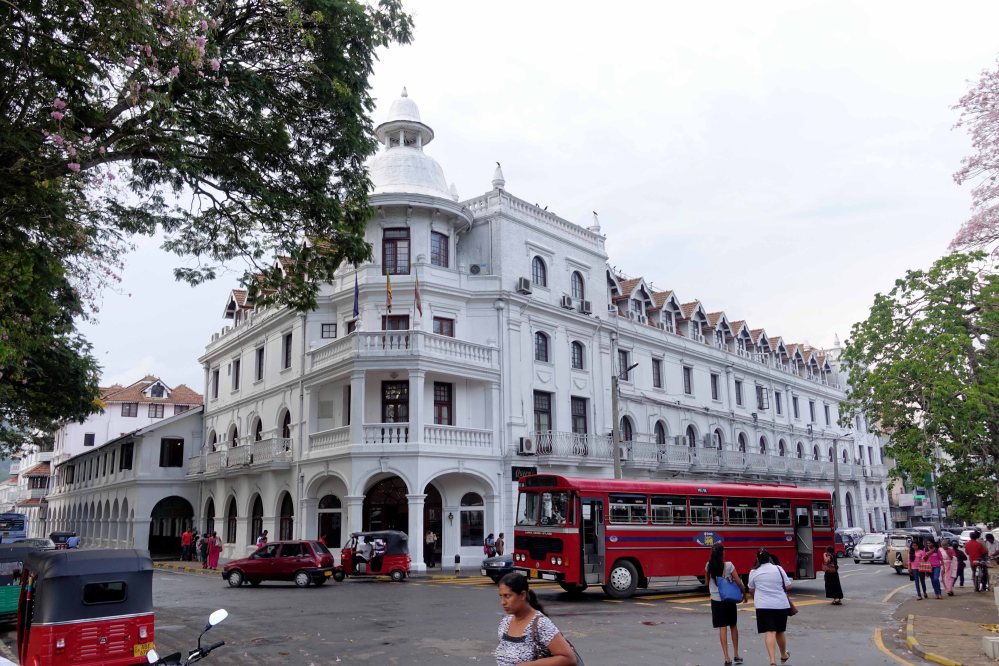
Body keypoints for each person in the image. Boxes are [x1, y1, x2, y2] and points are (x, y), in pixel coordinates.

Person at [493, 572, 577, 666]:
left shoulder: (540, 624)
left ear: (522, 595)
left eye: (507, 596)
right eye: (501, 596)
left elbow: (569, 658)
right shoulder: (505, 623)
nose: (503, 602)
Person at [747, 548, 791, 666]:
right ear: (769, 558)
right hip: (780, 605)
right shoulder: (778, 568)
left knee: (769, 632)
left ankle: (772, 660)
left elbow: (751, 589)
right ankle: (783, 655)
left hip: (763, 605)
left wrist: (756, 596)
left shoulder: (753, 572)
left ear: (757, 559)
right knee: (780, 631)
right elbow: (788, 586)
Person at [706, 542, 746, 666]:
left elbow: (706, 583)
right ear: (723, 553)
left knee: (722, 628)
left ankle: (726, 657)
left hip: (716, 600)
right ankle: (736, 654)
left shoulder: (708, 566)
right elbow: (738, 582)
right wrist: (743, 593)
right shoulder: (729, 565)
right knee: (733, 625)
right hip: (728, 599)